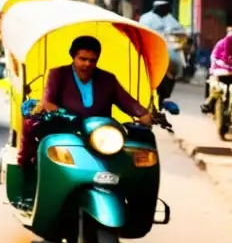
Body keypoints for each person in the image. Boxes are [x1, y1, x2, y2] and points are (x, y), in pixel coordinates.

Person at [18, 36, 153, 167]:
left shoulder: (108, 79)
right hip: (67, 131)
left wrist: (143, 113)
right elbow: (47, 101)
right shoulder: (58, 74)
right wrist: (65, 115)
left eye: (92, 60)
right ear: (73, 57)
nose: (87, 64)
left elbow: (127, 102)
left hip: (100, 135)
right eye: (82, 59)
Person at [202, 26, 232, 114]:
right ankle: (209, 102)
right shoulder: (221, 44)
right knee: (213, 84)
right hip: (220, 72)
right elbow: (214, 58)